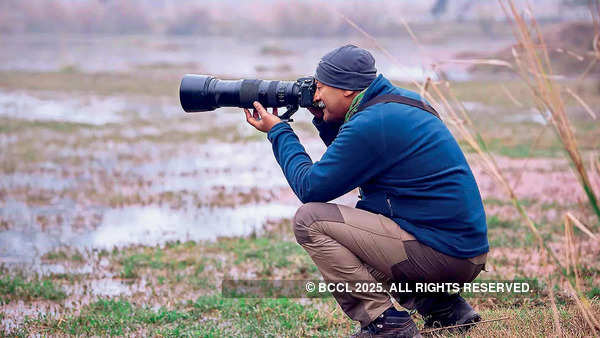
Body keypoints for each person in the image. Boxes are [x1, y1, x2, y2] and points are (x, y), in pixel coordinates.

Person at [244, 44, 488, 338]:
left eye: (321, 88)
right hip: (460, 254)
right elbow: (351, 161)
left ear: (347, 90)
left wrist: (279, 131)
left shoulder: (373, 122)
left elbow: (312, 188)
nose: (316, 95)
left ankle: (386, 323)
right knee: (356, 246)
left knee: (310, 220)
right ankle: (444, 308)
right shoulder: (399, 103)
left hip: (443, 256)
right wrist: (325, 119)